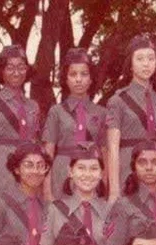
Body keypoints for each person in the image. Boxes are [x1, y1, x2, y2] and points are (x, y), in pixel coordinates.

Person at [39, 143, 111, 245]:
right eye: (81, 168)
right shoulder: (56, 209)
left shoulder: (110, 211)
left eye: (93, 169)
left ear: (101, 174)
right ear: (70, 172)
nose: (87, 174)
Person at [42, 48, 108, 201]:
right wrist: (47, 191)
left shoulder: (102, 113)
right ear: (65, 79)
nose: (78, 79)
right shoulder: (56, 111)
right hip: (62, 171)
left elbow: (105, 153)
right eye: (73, 74)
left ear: (91, 79)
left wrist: (104, 185)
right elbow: (48, 153)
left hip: (91, 172)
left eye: (84, 74)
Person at [106, 35, 156, 200]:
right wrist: (114, 190)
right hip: (128, 166)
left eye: (150, 58)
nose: (146, 63)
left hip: (154, 168)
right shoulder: (118, 100)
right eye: (140, 59)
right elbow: (112, 147)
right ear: (130, 64)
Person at [0, 45, 42, 195]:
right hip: (1, 163)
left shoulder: (33, 106)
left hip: (29, 166)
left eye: (21, 67)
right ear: (1, 71)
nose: (16, 72)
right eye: (10, 67)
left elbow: (36, 141)